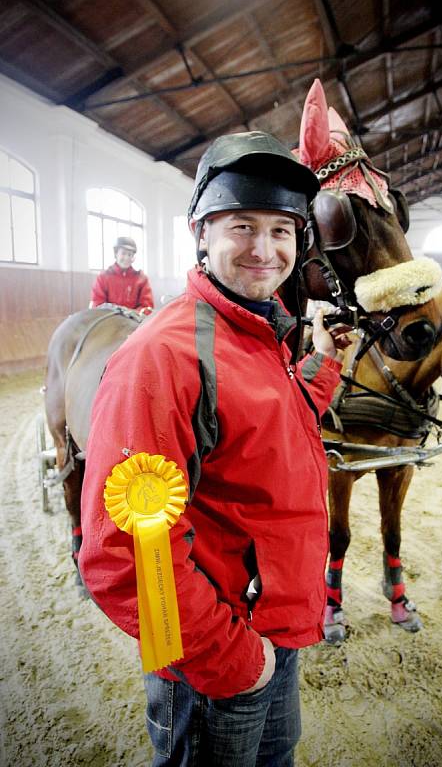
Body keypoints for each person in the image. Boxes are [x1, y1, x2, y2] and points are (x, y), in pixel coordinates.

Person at [79, 131, 351, 767]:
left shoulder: (261, 332)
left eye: (282, 230)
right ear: (202, 233)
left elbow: (264, 429)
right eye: (242, 227)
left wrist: (326, 366)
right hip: (216, 651)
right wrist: (230, 658)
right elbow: (127, 553)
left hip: (273, 628)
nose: (265, 249)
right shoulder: (162, 358)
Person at [89, 235, 154, 313]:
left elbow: (147, 306)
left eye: (130, 254)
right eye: (123, 253)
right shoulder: (103, 277)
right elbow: (97, 304)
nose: (126, 258)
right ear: (116, 254)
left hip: (134, 321)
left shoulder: (141, 279)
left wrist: (131, 314)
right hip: (109, 320)